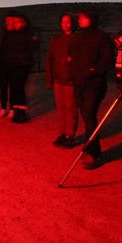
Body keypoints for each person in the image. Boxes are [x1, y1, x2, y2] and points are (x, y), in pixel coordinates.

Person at [67, 6, 114, 168]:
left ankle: (94, 153)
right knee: (86, 116)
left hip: (94, 83)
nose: (79, 20)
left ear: (91, 19)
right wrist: (73, 70)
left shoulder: (101, 37)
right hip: (79, 82)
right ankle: (89, 148)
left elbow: (107, 60)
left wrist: (93, 70)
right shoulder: (79, 37)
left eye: (82, 17)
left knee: (89, 114)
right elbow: (72, 57)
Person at [0, 11, 38, 123]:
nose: (13, 23)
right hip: (8, 63)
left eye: (16, 21)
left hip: (20, 64)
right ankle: (10, 108)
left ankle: (17, 110)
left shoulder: (25, 33)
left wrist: (24, 57)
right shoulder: (5, 32)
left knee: (17, 87)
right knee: (9, 87)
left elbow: (31, 47)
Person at [46, 13, 78, 148]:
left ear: (73, 23)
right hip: (58, 78)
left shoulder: (78, 39)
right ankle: (62, 133)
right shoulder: (56, 39)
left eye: (68, 21)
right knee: (61, 108)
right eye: (63, 22)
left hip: (71, 79)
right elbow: (50, 59)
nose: (65, 24)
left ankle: (70, 135)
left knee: (71, 108)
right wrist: (49, 79)